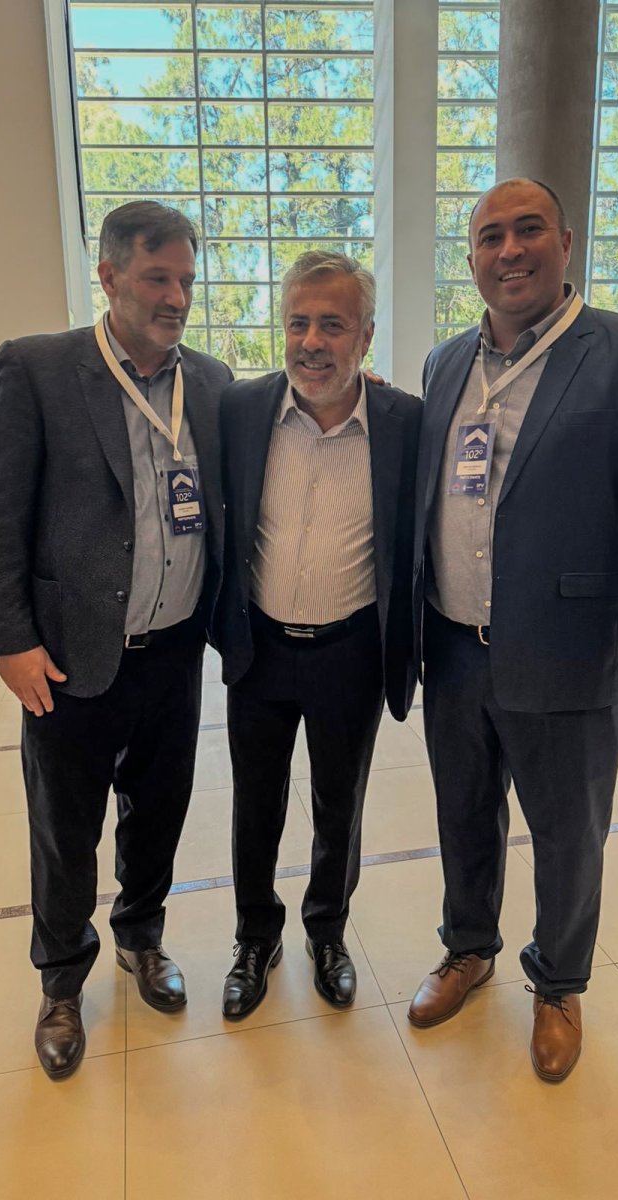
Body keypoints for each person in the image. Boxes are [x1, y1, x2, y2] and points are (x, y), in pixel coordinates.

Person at [408, 178, 618, 1081]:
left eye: (528, 229)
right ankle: (468, 948)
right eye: (489, 236)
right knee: (463, 815)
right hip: (453, 645)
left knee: (569, 833)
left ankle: (558, 982)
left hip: (571, 650)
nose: (509, 250)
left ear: (566, 242)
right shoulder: (444, 363)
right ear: (471, 258)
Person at [0, 201, 232, 1079]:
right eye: (158, 277)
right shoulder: (38, 368)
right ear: (110, 276)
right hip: (68, 652)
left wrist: (362, 390)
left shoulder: (212, 381)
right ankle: (60, 980)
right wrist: (10, 639)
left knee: (158, 810)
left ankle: (141, 938)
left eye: (186, 279)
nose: (177, 297)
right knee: (64, 827)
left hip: (175, 649)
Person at [214, 251, 422, 1019]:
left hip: (350, 653)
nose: (311, 341)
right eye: (298, 322)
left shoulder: (406, 423)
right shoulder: (241, 410)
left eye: (332, 325)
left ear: (365, 336)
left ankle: (326, 933)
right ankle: (254, 937)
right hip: (260, 649)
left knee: (340, 804)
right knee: (254, 804)